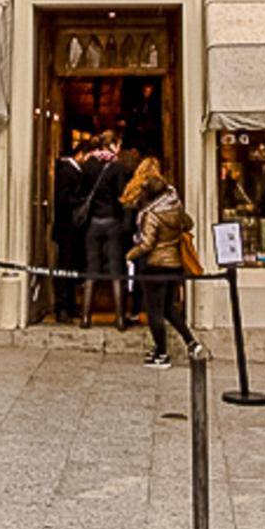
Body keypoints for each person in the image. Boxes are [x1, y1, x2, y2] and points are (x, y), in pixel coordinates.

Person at [126, 171, 205, 368]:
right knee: (169, 308)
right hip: (175, 265)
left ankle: (161, 354)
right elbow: (188, 223)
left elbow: (147, 244)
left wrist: (130, 254)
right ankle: (191, 342)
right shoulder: (175, 207)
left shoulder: (152, 214)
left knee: (155, 312)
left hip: (156, 266)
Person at [79, 130, 127, 330]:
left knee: (91, 270)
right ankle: (120, 318)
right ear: (113, 145)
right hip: (112, 221)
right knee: (116, 270)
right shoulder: (117, 167)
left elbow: (82, 192)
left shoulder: (88, 165)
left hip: (93, 223)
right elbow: (122, 196)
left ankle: (85, 317)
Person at [51, 139, 88, 323]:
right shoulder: (67, 171)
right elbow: (64, 199)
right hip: (67, 229)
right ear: (80, 153)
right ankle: (62, 307)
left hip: (72, 229)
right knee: (65, 267)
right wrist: (82, 201)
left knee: (72, 267)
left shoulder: (73, 170)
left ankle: (71, 305)